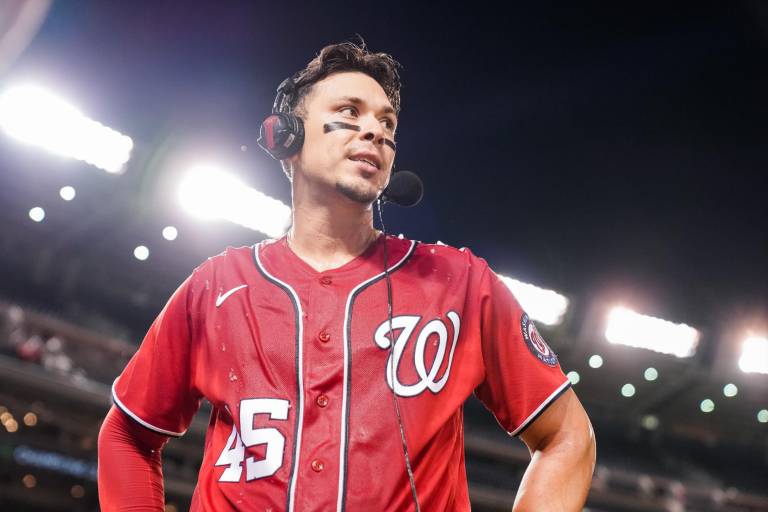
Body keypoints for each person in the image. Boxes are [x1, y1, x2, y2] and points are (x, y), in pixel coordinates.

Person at [98, 41, 596, 511]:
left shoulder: (459, 283)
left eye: (387, 121)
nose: (375, 131)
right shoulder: (216, 286)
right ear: (286, 136)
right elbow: (126, 433)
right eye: (349, 112)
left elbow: (567, 435)